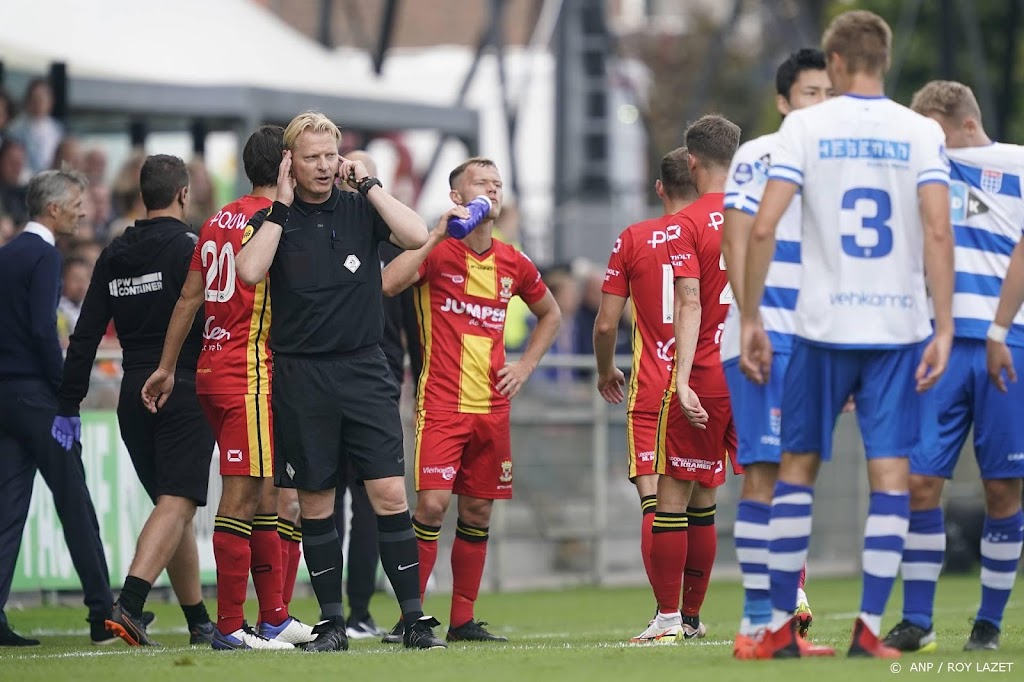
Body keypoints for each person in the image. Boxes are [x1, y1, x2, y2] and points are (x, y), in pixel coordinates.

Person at [739, 10, 954, 659]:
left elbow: (762, 227)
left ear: (834, 64)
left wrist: (750, 317)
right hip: (895, 327)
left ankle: (779, 627)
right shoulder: (921, 132)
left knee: (796, 471)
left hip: (822, 324)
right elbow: (938, 231)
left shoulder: (804, 126)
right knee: (890, 477)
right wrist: (943, 327)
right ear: (883, 61)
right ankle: (867, 626)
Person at [234, 111, 443, 652]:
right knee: (315, 501)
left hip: (364, 367)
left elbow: (417, 233)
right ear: (290, 163)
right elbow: (249, 272)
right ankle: (331, 623)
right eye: (312, 157)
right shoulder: (274, 219)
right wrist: (280, 204)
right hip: (302, 375)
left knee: (390, 491)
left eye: (331, 155)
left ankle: (414, 618)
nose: (325, 166)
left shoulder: (359, 207)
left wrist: (369, 183)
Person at [140, 127, 313, 651]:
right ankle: (231, 625)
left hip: (212, 373)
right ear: (285, 166)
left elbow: (189, 300)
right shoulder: (273, 222)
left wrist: (168, 367)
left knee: (263, 493)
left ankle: (275, 618)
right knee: (241, 497)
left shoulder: (216, 220)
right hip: (249, 374)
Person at [380, 157, 561, 644]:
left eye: (499, 184)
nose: (494, 190)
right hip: (440, 404)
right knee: (433, 506)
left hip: (492, 410)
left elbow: (551, 314)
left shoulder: (514, 261)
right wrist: (435, 236)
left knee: (478, 513)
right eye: (483, 183)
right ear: (458, 197)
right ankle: (410, 616)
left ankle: (462, 620)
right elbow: (388, 284)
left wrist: (523, 367)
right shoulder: (435, 252)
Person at [880, 81, 1024, 654]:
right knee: (918, 482)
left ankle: (988, 624)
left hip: (1007, 343)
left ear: (964, 124)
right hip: (935, 347)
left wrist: (997, 329)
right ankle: (918, 619)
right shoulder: (921, 173)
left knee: (1002, 490)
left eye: (934, 133)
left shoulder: (1015, 163)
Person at [53, 155, 217, 647]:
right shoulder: (193, 247)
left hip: (131, 393)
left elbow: (84, 335)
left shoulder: (113, 253)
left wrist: (68, 403)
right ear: (183, 194)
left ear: (143, 195)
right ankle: (130, 604)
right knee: (178, 502)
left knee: (173, 506)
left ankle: (197, 622)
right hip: (182, 386)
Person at [720, 48, 831, 656]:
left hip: (814, 342)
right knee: (764, 474)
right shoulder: (760, 154)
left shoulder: (834, 164)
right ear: (786, 101)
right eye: (810, 93)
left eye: (828, 92)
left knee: (796, 481)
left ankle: (781, 626)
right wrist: (750, 320)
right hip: (763, 337)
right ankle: (755, 625)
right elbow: (737, 238)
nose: (821, 103)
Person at [630, 115, 739, 643]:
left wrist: (683, 378)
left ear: (691, 162)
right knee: (770, 488)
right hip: (763, 368)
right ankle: (793, 603)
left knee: (675, 495)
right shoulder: (764, 212)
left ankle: (672, 619)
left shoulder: (685, 223)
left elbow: (689, 300)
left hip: (712, 372)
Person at [0, 169, 115, 646]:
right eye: (75, 203)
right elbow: (43, 331)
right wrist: (66, 389)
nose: (83, 211)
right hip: (38, 399)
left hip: (4, 398)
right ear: (52, 209)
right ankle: (102, 617)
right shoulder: (46, 255)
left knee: (7, 510)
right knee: (75, 501)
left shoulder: (6, 255)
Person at [593, 146, 697, 628]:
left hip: (654, 387)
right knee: (703, 503)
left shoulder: (635, 237)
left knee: (656, 502)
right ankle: (692, 616)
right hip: (706, 380)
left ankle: (666, 615)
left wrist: (605, 370)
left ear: (659, 188)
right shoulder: (717, 231)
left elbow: (605, 324)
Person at [327, 149, 418, 640]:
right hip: (324, 381)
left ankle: (359, 608)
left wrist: (416, 377)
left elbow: (408, 323)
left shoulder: (385, 235)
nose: (350, 177)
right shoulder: (319, 228)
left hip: (376, 382)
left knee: (373, 501)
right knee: (325, 499)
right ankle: (338, 613)